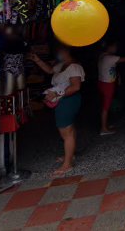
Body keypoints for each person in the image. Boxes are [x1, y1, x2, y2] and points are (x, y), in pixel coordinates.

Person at [28, 46, 84, 177]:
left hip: (68, 100)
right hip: (63, 100)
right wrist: (37, 60)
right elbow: (49, 70)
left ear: (67, 51)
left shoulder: (74, 67)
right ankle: (70, 156)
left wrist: (57, 93)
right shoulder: (62, 65)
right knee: (70, 128)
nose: (57, 52)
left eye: (60, 49)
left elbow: (76, 87)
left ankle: (67, 164)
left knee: (66, 131)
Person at [97, 41, 125, 135]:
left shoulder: (102, 56)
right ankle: (104, 129)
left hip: (101, 82)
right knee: (106, 107)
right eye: (114, 46)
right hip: (107, 85)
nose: (116, 48)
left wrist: (118, 76)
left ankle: (105, 125)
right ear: (109, 47)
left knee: (105, 105)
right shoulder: (110, 58)